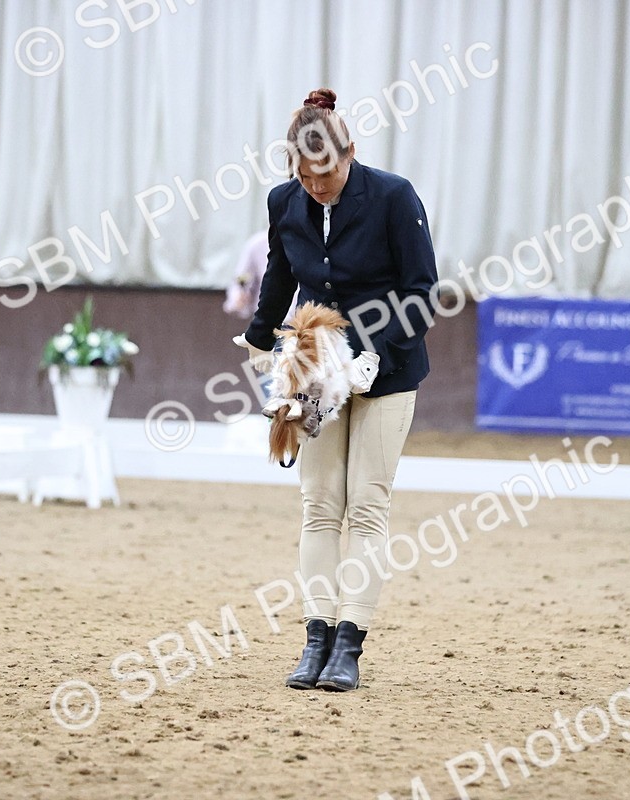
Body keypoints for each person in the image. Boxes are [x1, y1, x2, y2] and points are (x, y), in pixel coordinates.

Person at [232, 87, 437, 692]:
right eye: (306, 177)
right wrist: (259, 337)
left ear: (350, 153)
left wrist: (378, 352)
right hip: (315, 369)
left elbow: (422, 290)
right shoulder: (284, 202)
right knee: (319, 505)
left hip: (385, 368)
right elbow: (281, 272)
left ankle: (350, 643)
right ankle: (314, 638)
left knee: (366, 506)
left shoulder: (394, 198)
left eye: (329, 174)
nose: (318, 187)